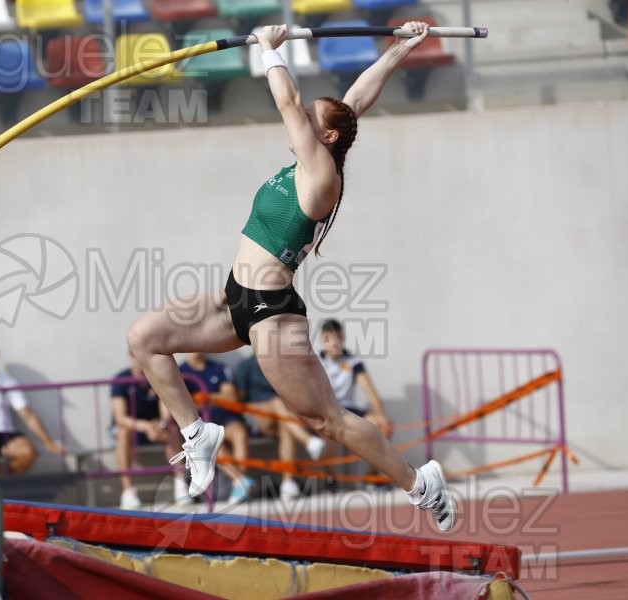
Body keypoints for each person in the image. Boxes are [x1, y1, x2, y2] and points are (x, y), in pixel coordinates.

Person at [127, 22, 456, 531]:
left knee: (326, 419)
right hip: (234, 296)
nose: (299, 121)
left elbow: (288, 103)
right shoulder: (321, 149)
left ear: (324, 136)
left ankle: (419, 482)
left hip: (271, 315)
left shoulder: (322, 175)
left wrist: (268, 49)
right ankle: (197, 435)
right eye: (304, 116)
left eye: (308, 120)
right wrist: (400, 49)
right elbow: (355, 100)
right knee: (145, 338)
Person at [233, 352, 326, 501]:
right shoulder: (245, 367)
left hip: (280, 418)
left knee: (286, 428)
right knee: (277, 404)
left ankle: (287, 483)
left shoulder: (279, 365)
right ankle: (308, 441)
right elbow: (239, 402)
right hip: (254, 417)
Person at [0, 338, 63, 475]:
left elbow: (27, 414)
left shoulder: (7, 381)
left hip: (4, 433)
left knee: (28, 453)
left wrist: (48, 442)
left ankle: (3, 487)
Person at [110, 351, 184, 509]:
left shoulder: (157, 377)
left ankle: (180, 486)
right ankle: (128, 491)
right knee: (122, 434)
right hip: (132, 428)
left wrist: (161, 425)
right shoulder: (120, 379)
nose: (140, 360)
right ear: (130, 357)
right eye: (136, 356)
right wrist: (144, 426)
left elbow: (166, 412)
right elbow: (120, 417)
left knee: (172, 431)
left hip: (153, 428)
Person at [179, 353, 253, 504]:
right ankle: (240, 481)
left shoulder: (219, 368)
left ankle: (239, 484)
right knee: (213, 444)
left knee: (240, 433)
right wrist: (218, 397)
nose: (195, 348)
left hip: (226, 418)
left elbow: (231, 398)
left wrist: (204, 398)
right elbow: (185, 405)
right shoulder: (180, 371)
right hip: (201, 423)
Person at [318, 320, 394, 440]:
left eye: (337, 337)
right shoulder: (315, 362)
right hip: (325, 412)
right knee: (328, 431)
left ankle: (378, 458)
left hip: (348, 410)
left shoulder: (353, 361)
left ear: (343, 337)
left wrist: (382, 416)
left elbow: (369, 389)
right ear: (322, 339)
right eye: (330, 338)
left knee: (380, 425)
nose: (334, 342)